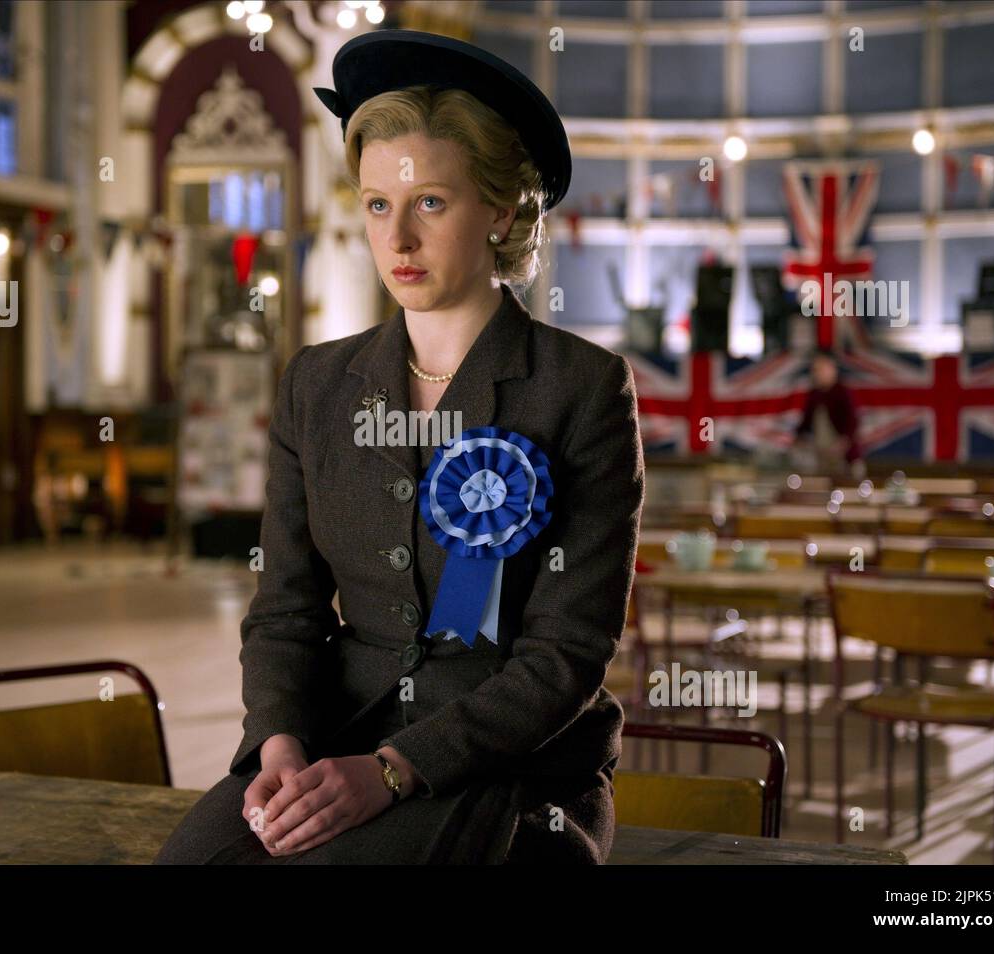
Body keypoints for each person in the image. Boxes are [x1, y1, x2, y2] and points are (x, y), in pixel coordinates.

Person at [155, 29, 645, 865]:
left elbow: (566, 656)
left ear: (499, 208)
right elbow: (284, 610)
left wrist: (392, 772)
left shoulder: (584, 389)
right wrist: (278, 748)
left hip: (509, 766)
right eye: (379, 204)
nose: (398, 241)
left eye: (430, 203)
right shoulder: (315, 384)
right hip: (329, 737)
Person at [793, 350, 861, 473]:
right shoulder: (814, 394)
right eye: (815, 370)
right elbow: (805, 422)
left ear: (832, 369)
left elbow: (852, 423)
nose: (817, 374)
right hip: (822, 457)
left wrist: (842, 444)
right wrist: (798, 438)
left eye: (820, 369)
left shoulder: (842, 392)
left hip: (845, 460)